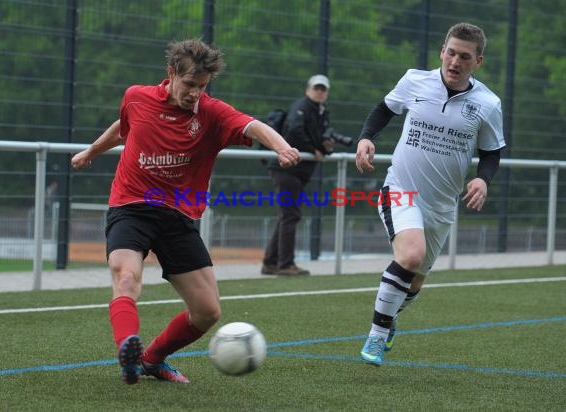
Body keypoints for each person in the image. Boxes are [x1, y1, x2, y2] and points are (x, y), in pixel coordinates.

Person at [71, 39, 301, 384]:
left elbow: (252, 125)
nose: (195, 92)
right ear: (171, 74)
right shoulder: (136, 96)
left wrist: (282, 146)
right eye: (190, 84)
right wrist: (91, 151)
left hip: (178, 217)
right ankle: (128, 352)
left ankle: (152, 359)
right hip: (132, 206)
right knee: (127, 277)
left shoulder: (211, 112)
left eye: (202, 86)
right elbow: (124, 127)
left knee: (208, 311)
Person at [355, 22, 506, 365]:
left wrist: (483, 179)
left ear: (477, 61)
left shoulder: (488, 103)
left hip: (442, 205)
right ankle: (377, 337)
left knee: (415, 281)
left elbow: (492, 151)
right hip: (401, 189)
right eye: (450, 53)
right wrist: (366, 137)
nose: (455, 62)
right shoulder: (414, 80)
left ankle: (389, 319)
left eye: (464, 57)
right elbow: (383, 110)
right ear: (441, 51)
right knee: (409, 256)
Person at [261, 74, 335, 276]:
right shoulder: (302, 106)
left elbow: (313, 136)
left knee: (288, 215)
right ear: (308, 90)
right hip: (286, 169)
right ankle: (285, 264)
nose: (320, 91)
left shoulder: (321, 111)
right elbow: (294, 131)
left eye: (323, 89)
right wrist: (313, 148)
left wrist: (324, 147)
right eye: (316, 88)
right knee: (290, 215)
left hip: (296, 170)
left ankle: (270, 262)